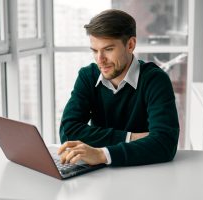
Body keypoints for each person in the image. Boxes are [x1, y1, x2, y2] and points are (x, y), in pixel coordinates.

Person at [57, 9, 179, 166]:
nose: (100, 60)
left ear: (130, 45)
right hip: (97, 176)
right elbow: (69, 133)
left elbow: (165, 144)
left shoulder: (155, 80)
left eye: (108, 49)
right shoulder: (87, 76)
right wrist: (131, 137)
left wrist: (102, 155)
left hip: (145, 174)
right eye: (95, 51)